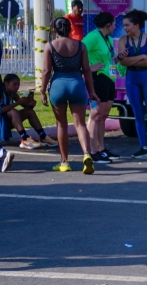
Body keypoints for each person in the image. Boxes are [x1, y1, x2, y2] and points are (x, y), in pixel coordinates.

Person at [41, 16, 97, 174]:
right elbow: (87, 70)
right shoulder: (81, 45)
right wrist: (92, 91)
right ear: (70, 28)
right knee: (80, 124)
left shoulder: (50, 46)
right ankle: (87, 154)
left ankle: (64, 162)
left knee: (61, 125)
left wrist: (42, 90)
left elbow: (46, 71)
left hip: (58, 85)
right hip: (77, 85)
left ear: (55, 30)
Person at [116, 9, 147, 159]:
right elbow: (122, 61)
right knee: (137, 113)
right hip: (132, 78)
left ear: (136, 25)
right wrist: (141, 56)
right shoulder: (123, 40)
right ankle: (143, 147)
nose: (125, 28)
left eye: (127, 25)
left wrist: (131, 60)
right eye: (124, 25)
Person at [3, 73, 50, 150]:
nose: (17, 87)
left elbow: (25, 107)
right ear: (6, 84)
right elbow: (1, 110)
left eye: (18, 85)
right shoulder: (1, 94)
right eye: (14, 84)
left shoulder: (13, 94)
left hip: (7, 122)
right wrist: (18, 102)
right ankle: (25, 138)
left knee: (30, 112)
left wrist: (30, 103)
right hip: (2, 122)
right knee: (13, 112)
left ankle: (43, 136)